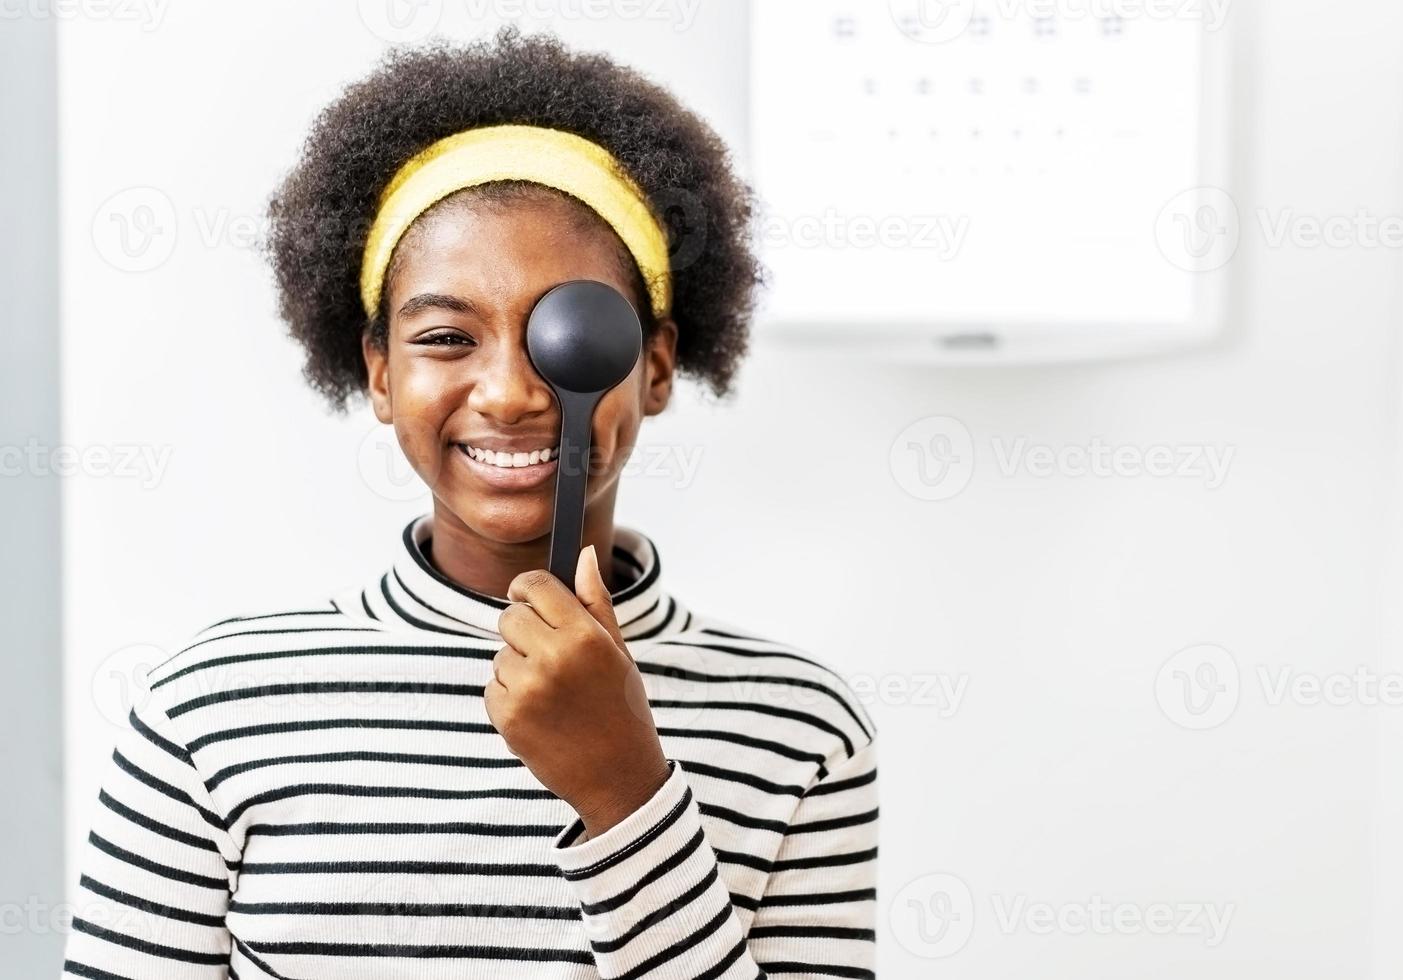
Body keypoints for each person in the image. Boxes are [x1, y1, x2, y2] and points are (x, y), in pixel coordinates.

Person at [61, 26, 877, 980]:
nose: (510, 393)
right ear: (377, 373)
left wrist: (625, 789)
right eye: (447, 337)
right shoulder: (206, 712)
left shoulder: (798, 727)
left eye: (563, 334)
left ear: (654, 366)